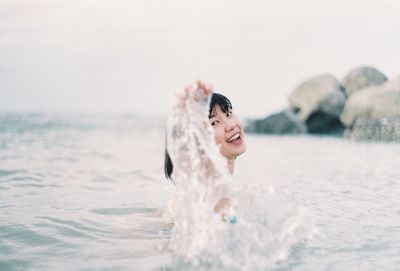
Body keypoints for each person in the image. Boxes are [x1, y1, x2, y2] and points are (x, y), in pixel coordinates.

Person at [164, 81, 246, 216]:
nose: (230, 125)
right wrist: (180, 115)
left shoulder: (222, 191)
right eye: (214, 123)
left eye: (228, 113)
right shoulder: (209, 194)